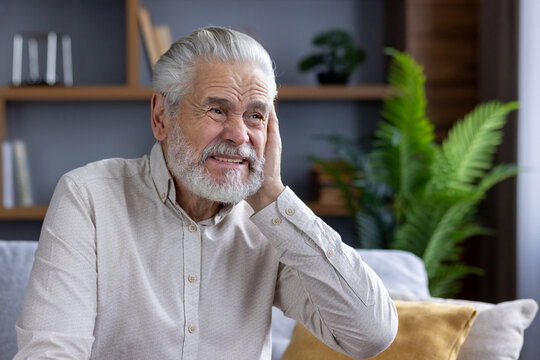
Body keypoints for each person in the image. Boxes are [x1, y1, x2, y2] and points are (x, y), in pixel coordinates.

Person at [15, 26, 397, 359]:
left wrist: (271, 197)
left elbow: (370, 335)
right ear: (161, 117)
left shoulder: (271, 226)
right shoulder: (88, 198)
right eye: (217, 110)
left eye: (255, 115)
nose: (239, 134)